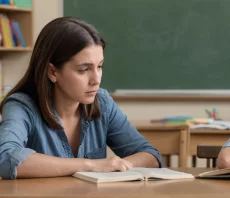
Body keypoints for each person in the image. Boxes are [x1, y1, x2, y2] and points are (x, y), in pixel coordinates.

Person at [0, 17, 162, 179]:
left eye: (99, 66)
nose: (96, 80)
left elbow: (150, 156)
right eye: (84, 69)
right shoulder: (21, 106)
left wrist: (117, 167)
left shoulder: (103, 103)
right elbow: (5, 158)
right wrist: (91, 165)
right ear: (53, 72)